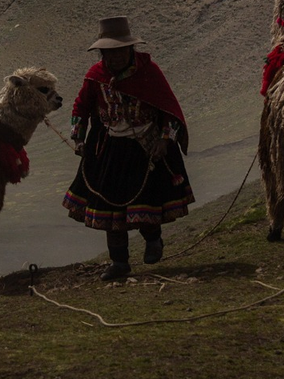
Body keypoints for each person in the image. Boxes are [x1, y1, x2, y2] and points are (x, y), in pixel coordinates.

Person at [62, 16, 193, 280]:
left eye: (120, 50)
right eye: (109, 52)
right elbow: (81, 107)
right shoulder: (95, 76)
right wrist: (78, 138)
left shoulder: (149, 72)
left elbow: (169, 109)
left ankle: (153, 239)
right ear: (102, 53)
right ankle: (119, 262)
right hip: (109, 149)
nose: (116, 57)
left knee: (145, 201)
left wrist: (165, 141)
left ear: (130, 49)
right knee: (111, 210)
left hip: (145, 147)